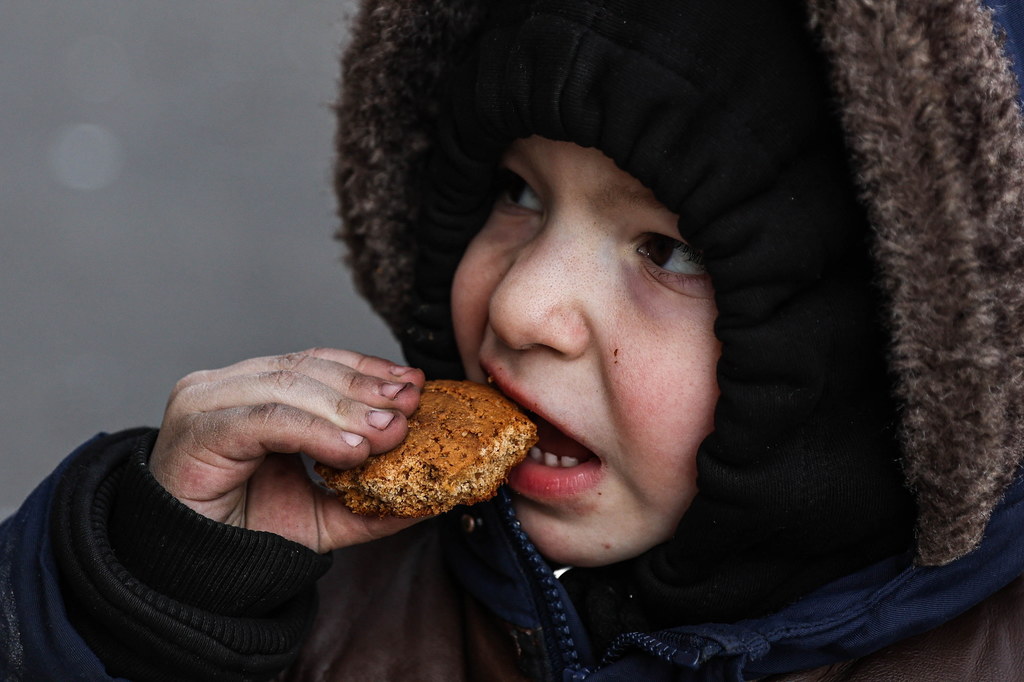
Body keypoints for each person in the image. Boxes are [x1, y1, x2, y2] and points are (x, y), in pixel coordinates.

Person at [4, 0, 1024, 679]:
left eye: (667, 249)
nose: (521, 306)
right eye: (517, 191)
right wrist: (150, 592)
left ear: (889, 345)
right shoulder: (322, 594)